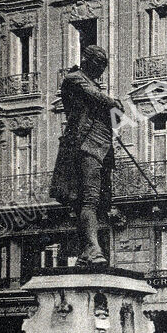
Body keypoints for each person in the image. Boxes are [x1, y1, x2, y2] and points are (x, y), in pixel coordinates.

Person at [51, 45, 125, 267]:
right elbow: (107, 104)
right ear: (86, 60)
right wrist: (114, 104)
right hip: (85, 147)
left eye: (103, 66)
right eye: (98, 64)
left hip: (101, 149)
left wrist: (114, 107)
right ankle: (92, 248)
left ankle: (87, 250)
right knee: (89, 200)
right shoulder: (74, 79)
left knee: (96, 203)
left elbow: (116, 119)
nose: (101, 70)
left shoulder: (93, 85)